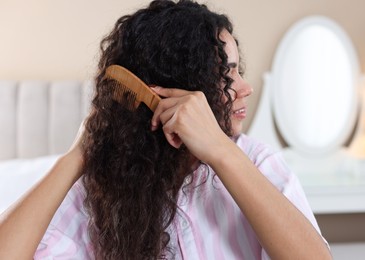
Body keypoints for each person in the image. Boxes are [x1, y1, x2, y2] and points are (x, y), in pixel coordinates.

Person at [0, 0, 332, 259]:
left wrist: (219, 150)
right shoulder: (98, 191)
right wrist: (76, 157)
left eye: (238, 70)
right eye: (227, 76)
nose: (246, 88)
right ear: (174, 89)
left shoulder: (257, 164)